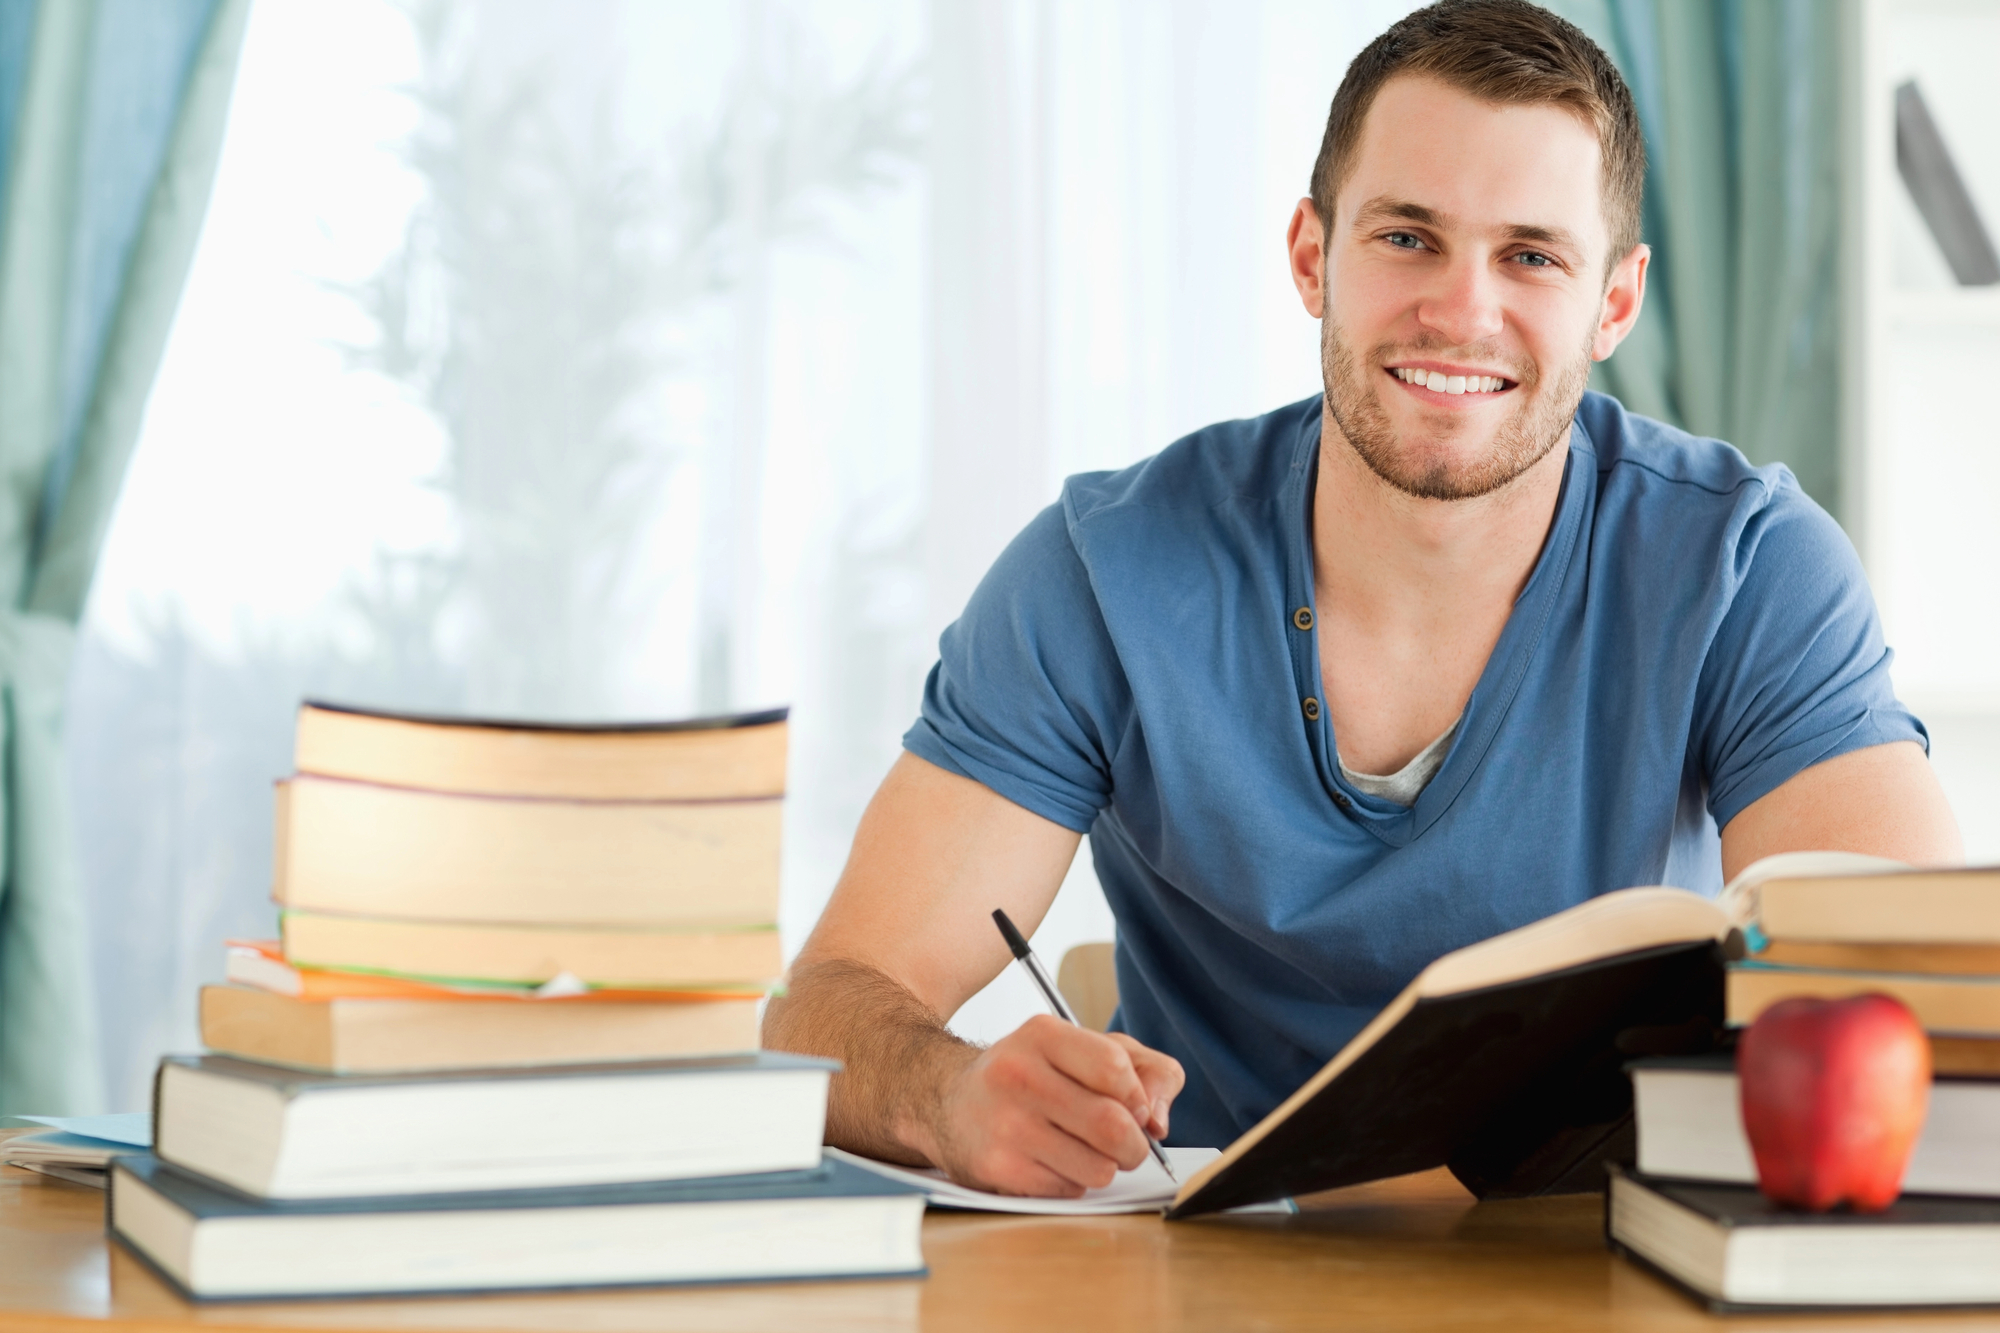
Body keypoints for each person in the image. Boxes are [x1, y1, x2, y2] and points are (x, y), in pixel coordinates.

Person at [763, 0, 1963, 1198]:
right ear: (1308, 256)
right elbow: (824, 1006)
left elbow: (1911, 999)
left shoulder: (1747, 567)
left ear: (1613, 301)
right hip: (1214, 1260)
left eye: (1531, 255)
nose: (1461, 310)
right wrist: (947, 1092)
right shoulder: (1100, 573)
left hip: (1594, 1259)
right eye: (1406, 237)